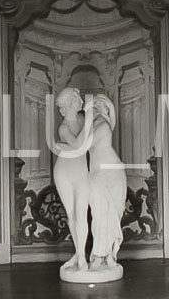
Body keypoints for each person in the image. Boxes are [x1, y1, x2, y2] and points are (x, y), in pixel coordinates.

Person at [52, 87, 95, 272]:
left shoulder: (83, 119)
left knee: (82, 213)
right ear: (70, 103)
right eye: (78, 98)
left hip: (81, 170)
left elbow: (89, 143)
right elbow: (78, 144)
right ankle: (80, 255)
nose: (82, 101)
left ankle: (80, 255)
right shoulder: (63, 128)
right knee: (72, 215)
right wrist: (90, 121)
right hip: (64, 171)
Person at [86, 94, 126, 269]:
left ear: (106, 108)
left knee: (112, 213)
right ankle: (98, 255)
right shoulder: (94, 124)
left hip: (112, 172)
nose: (95, 106)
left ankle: (109, 254)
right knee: (100, 212)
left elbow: (83, 144)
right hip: (98, 173)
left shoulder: (103, 124)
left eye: (98, 104)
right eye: (94, 104)